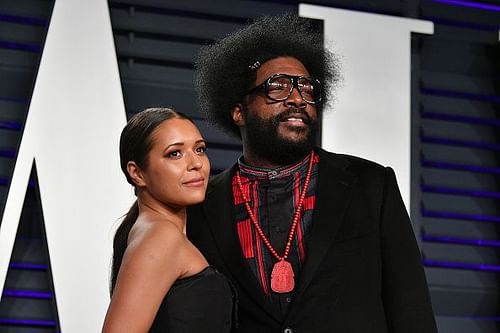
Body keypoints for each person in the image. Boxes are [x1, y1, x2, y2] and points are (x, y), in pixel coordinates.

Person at [187, 14, 437, 332]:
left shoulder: (371, 185)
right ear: (239, 111)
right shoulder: (202, 205)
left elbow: (412, 308)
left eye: (307, 89)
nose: (297, 99)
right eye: (277, 87)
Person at [102, 108, 234, 332]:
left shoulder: (150, 231)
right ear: (137, 173)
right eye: (175, 154)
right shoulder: (160, 237)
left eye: (199, 149)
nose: (196, 164)